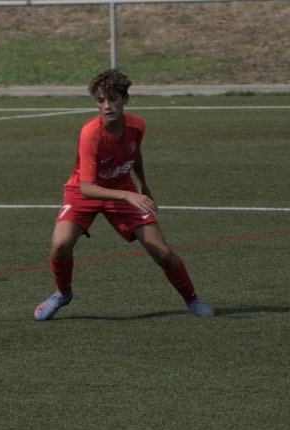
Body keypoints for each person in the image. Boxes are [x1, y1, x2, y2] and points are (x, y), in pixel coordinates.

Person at [33, 68, 212, 321]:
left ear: (125, 99)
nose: (107, 106)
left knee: (162, 252)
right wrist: (129, 196)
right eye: (101, 100)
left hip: (122, 186)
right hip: (83, 191)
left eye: (113, 99)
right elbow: (87, 188)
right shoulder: (90, 134)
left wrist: (142, 186)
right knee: (60, 245)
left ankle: (192, 299)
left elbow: (133, 151)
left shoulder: (137, 125)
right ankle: (63, 293)